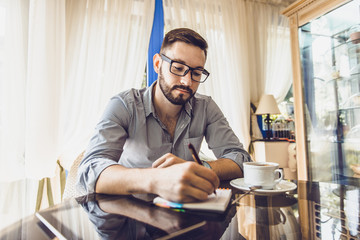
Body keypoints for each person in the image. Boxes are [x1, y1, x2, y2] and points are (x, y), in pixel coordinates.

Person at [77, 28, 251, 203]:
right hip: (131, 214)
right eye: (178, 68)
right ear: (157, 64)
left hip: (187, 215)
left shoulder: (205, 107)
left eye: (196, 73)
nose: (187, 81)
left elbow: (240, 158)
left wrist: (196, 168)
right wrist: (156, 179)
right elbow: (89, 170)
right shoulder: (124, 105)